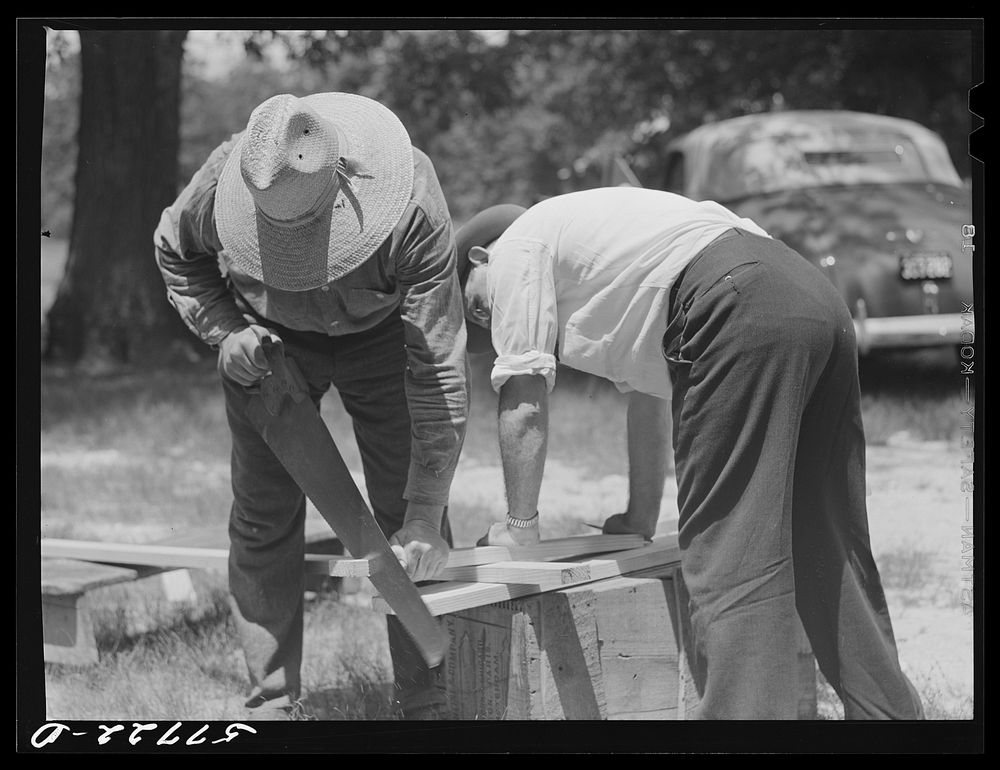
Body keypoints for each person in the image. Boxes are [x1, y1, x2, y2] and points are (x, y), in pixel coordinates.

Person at [457, 186, 924, 720]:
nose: (489, 320)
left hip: (734, 299)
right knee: (827, 535)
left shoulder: (518, 245)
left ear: (479, 258)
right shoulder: (604, 260)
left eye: (477, 305)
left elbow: (523, 394)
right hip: (811, 293)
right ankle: (892, 721)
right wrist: (637, 517)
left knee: (732, 555)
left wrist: (520, 530)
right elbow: (646, 404)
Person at [154, 92, 467, 720]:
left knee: (409, 518)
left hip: (384, 339)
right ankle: (270, 702)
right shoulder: (224, 179)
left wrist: (428, 510)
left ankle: (428, 700)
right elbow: (175, 251)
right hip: (268, 342)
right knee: (264, 515)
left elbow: (436, 370)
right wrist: (227, 333)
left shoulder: (410, 199)